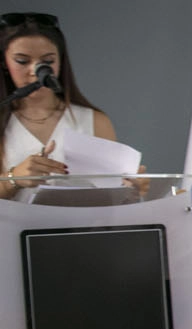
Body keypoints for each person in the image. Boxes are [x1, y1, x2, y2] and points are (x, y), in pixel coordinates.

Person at [1, 12, 144, 199]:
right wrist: (14, 179)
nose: (35, 72)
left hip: (82, 227)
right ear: (4, 62)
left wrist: (131, 190)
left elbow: (115, 199)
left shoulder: (94, 121)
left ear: (60, 61)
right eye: (22, 61)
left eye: (47, 62)